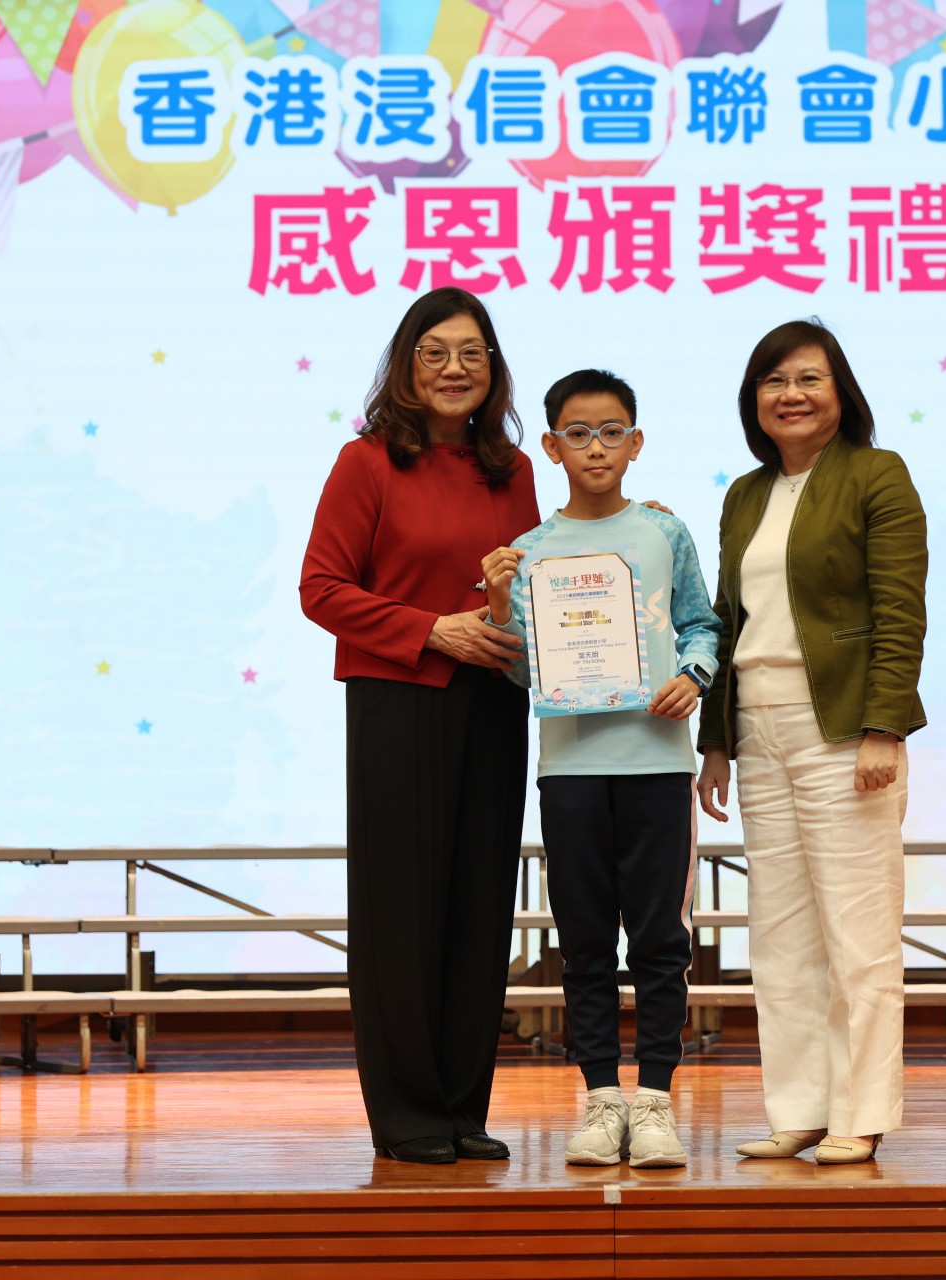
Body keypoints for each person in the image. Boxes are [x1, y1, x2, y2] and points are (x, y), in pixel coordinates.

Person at [299, 288, 537, 1165]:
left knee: (480, 904)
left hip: (493, 697)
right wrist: (433, 630)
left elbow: (524, 588)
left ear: (492, 368)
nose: (453, 368)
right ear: (405, 366)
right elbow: (321, 589)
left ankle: (462, 1107)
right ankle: (406, 1113)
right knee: (401, 910)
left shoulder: (514, 469)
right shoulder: (366, 462)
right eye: (434, 352)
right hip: (398, 696)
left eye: (472, 353)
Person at [695, 320, 927, 1166]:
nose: (790, 395)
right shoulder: (745, 495)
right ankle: (798, 1109)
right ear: (753, 399)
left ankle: (859, 1113)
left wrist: (884, 727)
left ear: (840, 392)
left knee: (857, 935)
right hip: (759, 732)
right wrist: (715, 742)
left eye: (808, 379)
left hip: (844, 731)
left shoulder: (876, 474)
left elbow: (900, 611)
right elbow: (726, 622)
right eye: (773, 381)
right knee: (780, 936)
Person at [481, 369, 721, 1168]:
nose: (596, 448)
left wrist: (694, 675)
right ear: (552, 447)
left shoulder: (664, 533)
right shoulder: (530, 553)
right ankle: (599, 1101)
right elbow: (523, 672)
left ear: (636, 442)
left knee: (660, 941)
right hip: (571, 770)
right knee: (584, 942)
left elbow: (701, 623)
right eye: (578, 434)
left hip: (657, 764)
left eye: (612, 432)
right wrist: (496, 607)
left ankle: (653, 1103)